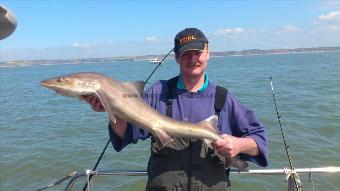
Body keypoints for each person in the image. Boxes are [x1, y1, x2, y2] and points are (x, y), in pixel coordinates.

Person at [83, 28, 268, 191]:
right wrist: (112, 109)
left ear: (208, 53)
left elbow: (259, 140)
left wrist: (238, 145)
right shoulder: (158, 92)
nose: (193, 59)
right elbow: (128, 133)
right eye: (186, 54)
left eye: (198, 52)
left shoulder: (222, 98)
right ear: (177, 58)